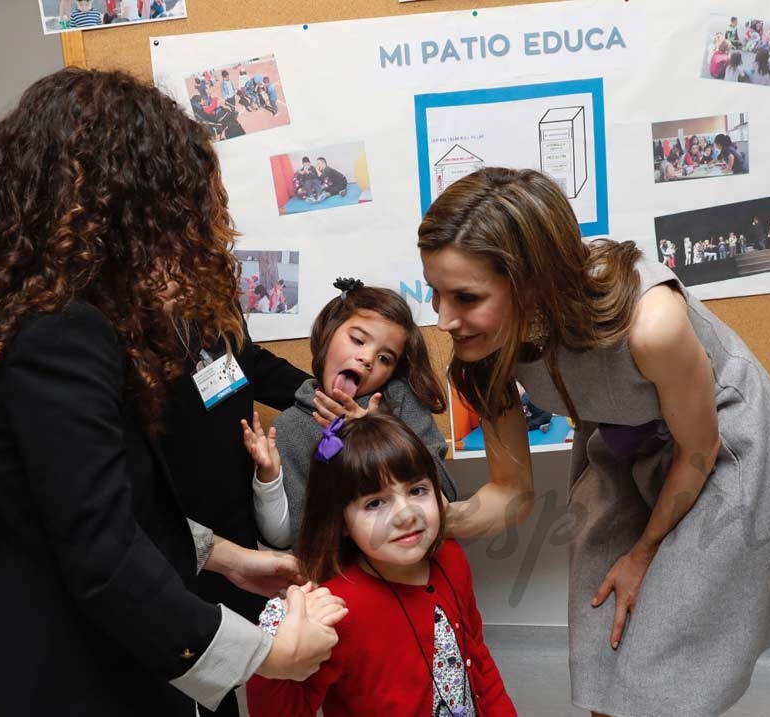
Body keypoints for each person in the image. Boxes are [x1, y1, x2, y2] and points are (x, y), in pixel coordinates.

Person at [0, 68, 345, 717]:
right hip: (38, 674)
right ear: (124, 206)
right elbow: (100, 553)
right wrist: (267, 651)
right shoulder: (61, 331)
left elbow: (57, 500)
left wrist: (227, 557)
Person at [418, 167, 770, 717]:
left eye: (465, 297)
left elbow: (698, 451)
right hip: (622, 444)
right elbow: (511, 493)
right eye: (436, 293)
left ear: (533, 282)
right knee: (602, 642)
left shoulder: (650, 324)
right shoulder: (485, 347)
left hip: (716, 449)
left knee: (660, 667)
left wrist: (642, 553)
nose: (444, 319)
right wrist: (438, 520)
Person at [246, 414, 517, 716]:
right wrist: (271, 647)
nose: (405, 515)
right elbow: (281, 709)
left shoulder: (451, 559)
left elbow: (477, 654)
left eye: (417, 490)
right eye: (375, 503)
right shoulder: (335, 608)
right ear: (341, 522)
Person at [160, 317, 311, 717]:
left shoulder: (212, 295)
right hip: (169, 536)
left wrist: (316, 396)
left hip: (231, 531)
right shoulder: (111, 318)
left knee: (224, 678)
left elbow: (245, 360)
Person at [244, 280, 458, 549]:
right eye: (358, 340)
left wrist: (373, 431)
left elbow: (444, 496)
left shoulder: (399, 401)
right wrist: (269, 478)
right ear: (327, 333)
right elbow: (285, 537)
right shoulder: (289, 428)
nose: (368, 358)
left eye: (385, 358)